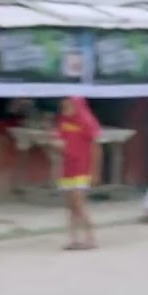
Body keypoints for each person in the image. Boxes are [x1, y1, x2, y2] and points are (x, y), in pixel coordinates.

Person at [52, 95, 100, 250]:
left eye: (68, 106)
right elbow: (57, 139)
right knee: (70, 205)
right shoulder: (63, 121)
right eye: (63, 106)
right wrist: (56, 145)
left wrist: (95, 171)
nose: (65, 109)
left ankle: (90, 237)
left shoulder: (87, 121)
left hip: (82, 168)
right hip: (67, 168)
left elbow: (96, 148)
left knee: (79, 203)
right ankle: (74, 239)